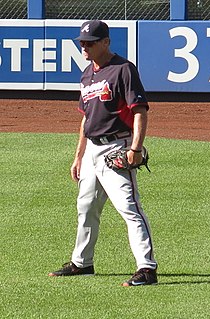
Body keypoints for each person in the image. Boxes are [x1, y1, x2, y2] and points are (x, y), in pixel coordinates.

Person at [49, 20, 158, 286]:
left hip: (117, 147)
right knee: (85, 207)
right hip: (92, 152)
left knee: (129, 208)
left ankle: (147, 268)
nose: (84, 46)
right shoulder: (87, 74)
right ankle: (82, 263)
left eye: (90, 42)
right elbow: (86, 119)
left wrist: (135, 147)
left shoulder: (123, 69)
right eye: (82, 42)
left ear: (106, 42)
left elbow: (139, 111)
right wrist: (79, 156)